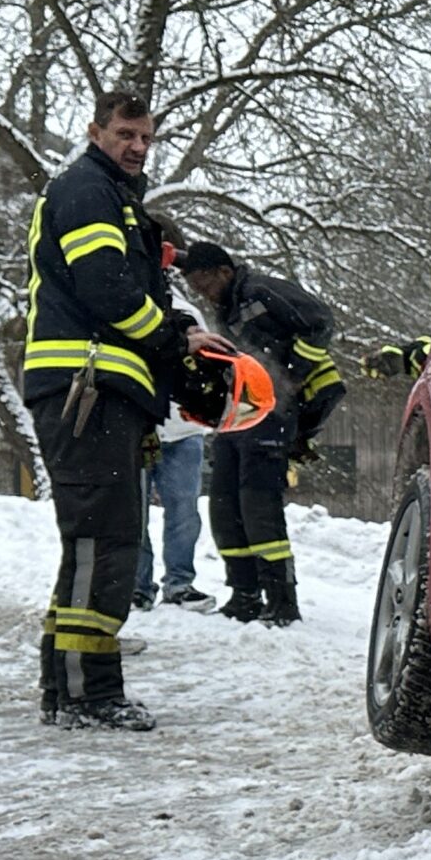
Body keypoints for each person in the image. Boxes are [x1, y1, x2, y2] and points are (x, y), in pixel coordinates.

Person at [20, 89, 205, 729]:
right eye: (126, 134)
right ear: (95, 131)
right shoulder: (87, 192)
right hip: (86, 387)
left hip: (98, 388)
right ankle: (86, 695)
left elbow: (128, 288)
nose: (137, 146)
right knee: (104, 542)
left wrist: (180, 330)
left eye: (146, 137)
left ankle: (70, 687)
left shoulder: (112, 199)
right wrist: (172, 340)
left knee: (98, 543)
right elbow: (107, 289)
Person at [174, 243, 343, 625]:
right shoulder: (225, 305)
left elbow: (320, 321)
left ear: (223, 271)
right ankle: (244, 594)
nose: (201, 290)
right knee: (225, 504)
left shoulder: (260, 291)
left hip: (272, 411)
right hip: (239, 414)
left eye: (203, 280)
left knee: (258, 505)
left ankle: (282, 600)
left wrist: (292, 374)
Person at [133, 418, 213, 610]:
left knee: (184, 511)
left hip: (184, 430)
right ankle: (137, 586)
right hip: (137, 429)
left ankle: (179, 584)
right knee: (133, 511)